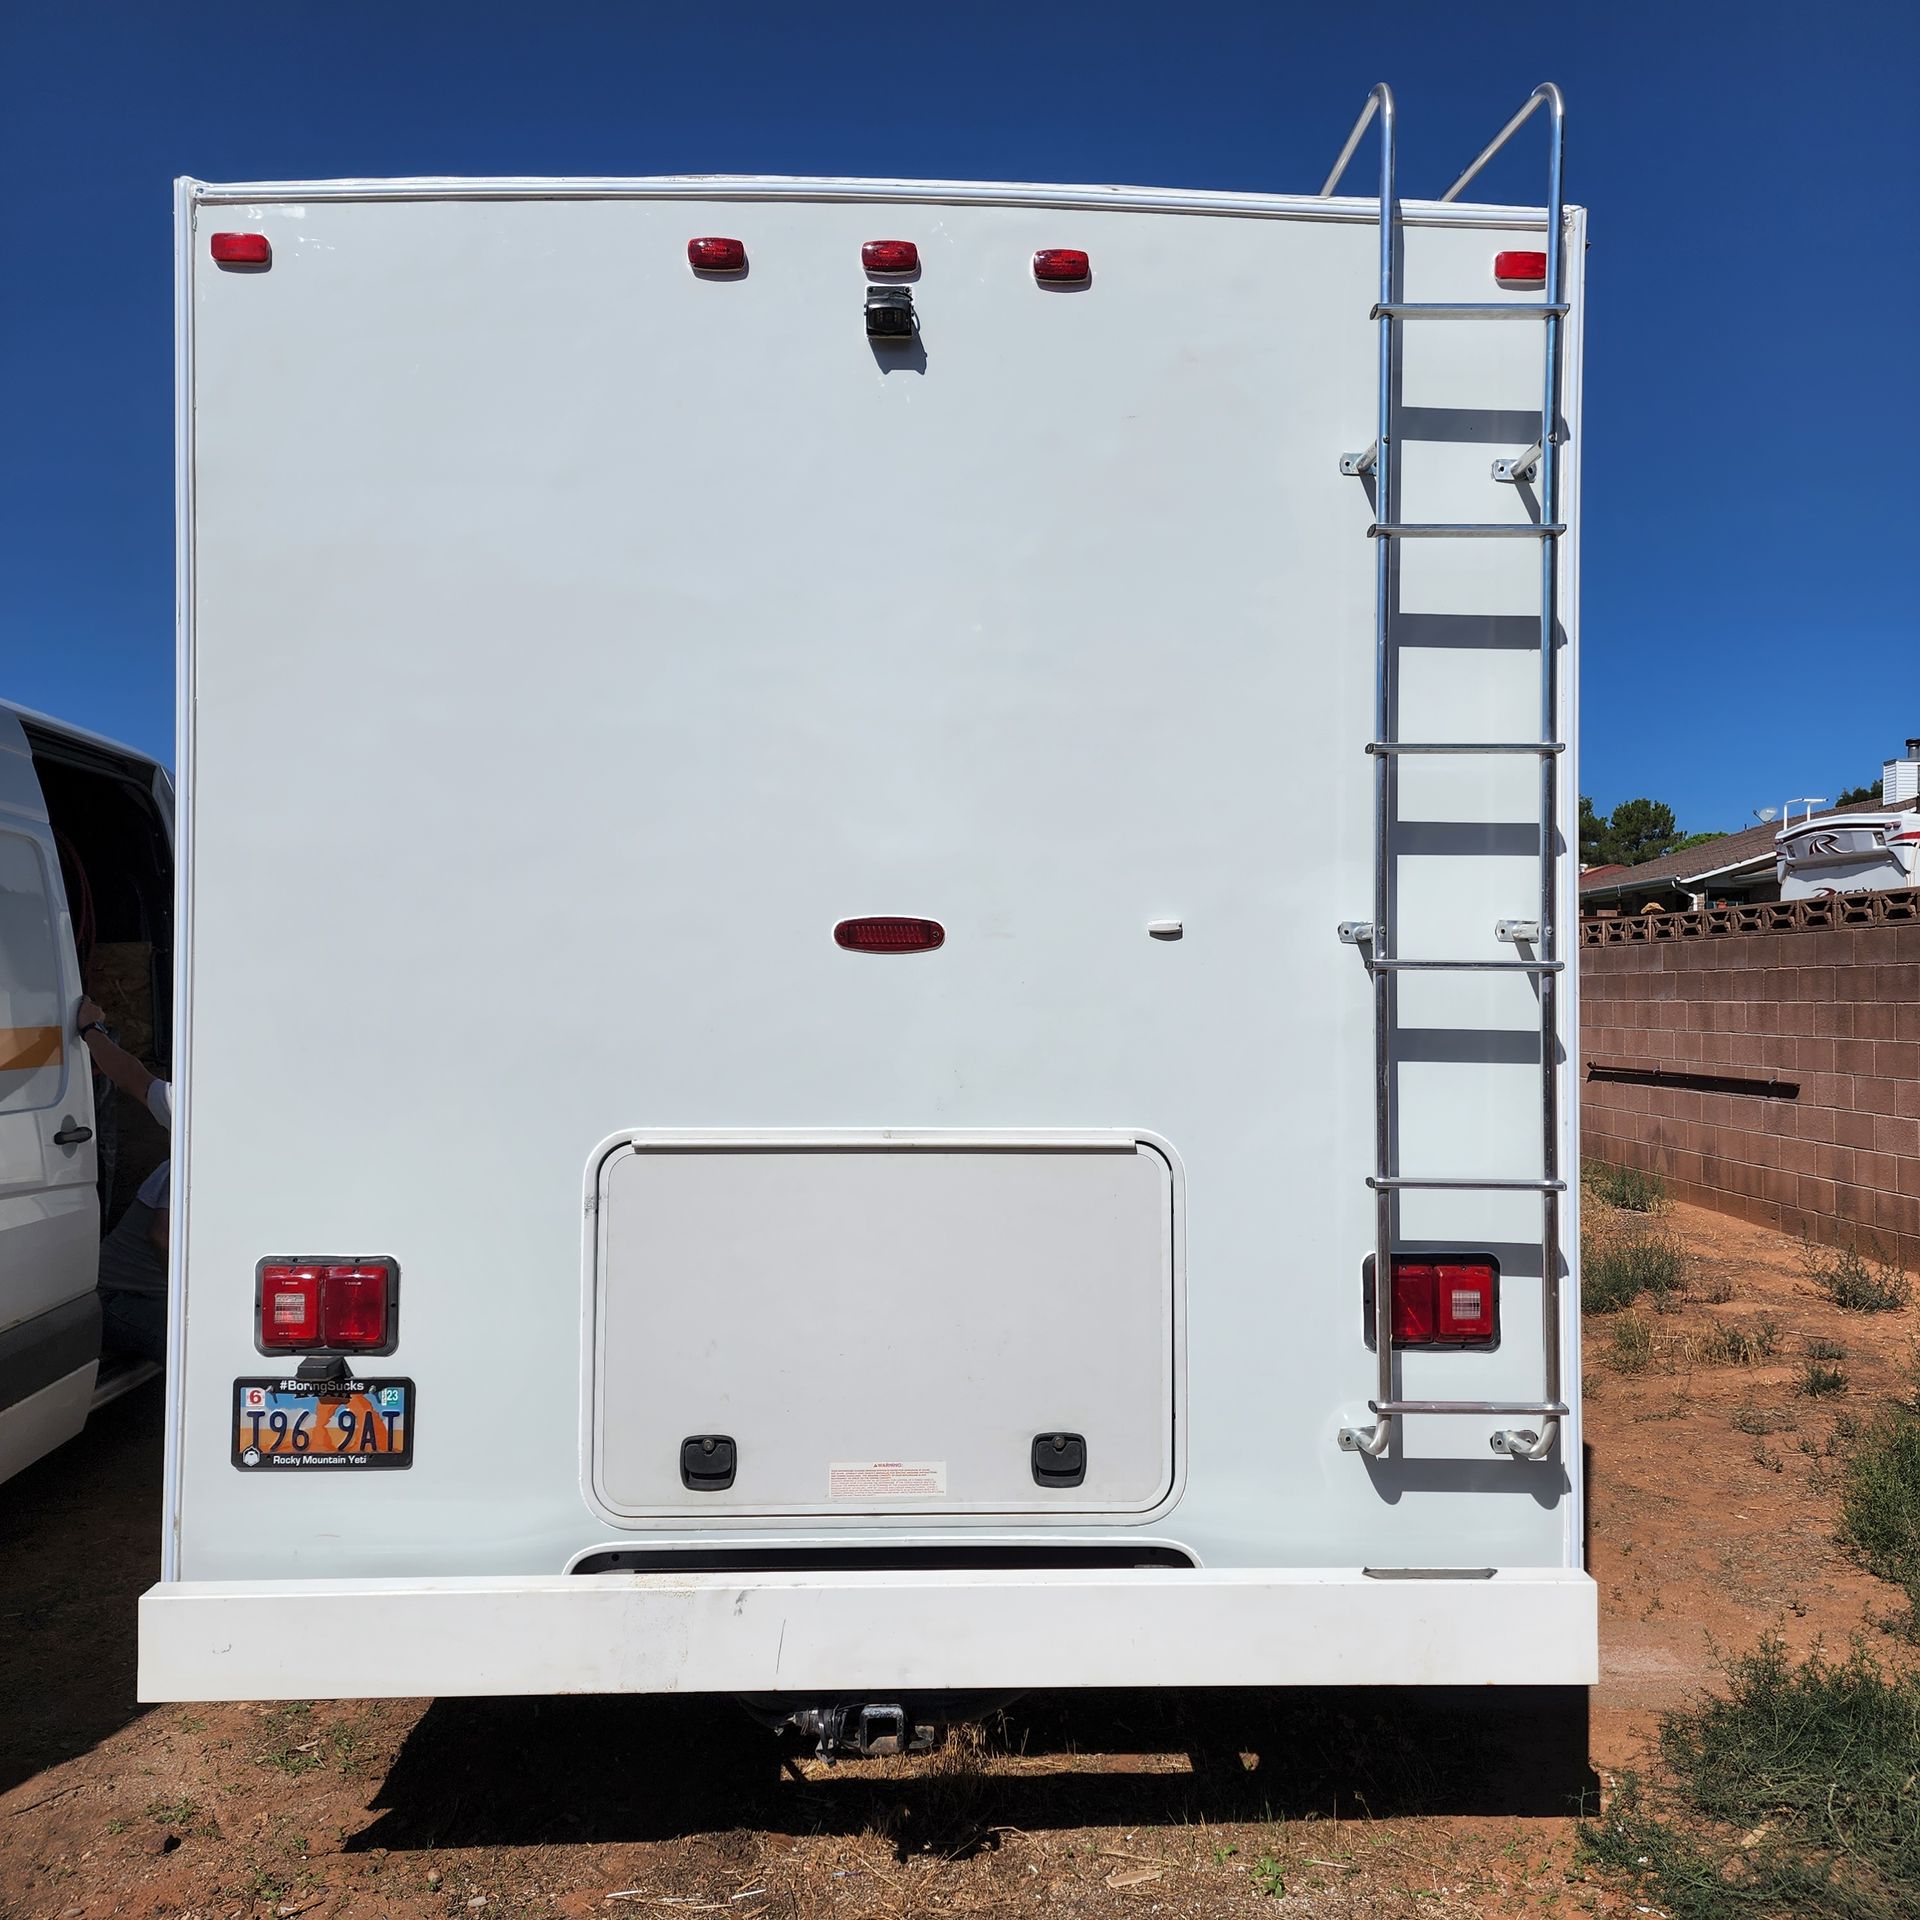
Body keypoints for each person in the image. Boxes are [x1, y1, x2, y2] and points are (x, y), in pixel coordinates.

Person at [76, 998, 170, 1362]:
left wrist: (91, 1031)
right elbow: (161, 1237)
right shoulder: (198, 1160)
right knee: (201, 1348)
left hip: (149, 1295)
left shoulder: (201, 1113)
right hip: (120, 1299)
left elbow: (134, 1078)